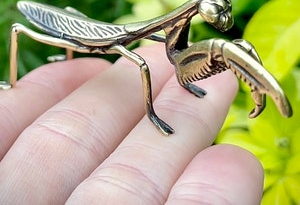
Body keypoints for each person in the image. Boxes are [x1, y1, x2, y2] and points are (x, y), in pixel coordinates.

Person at [0, 44, 263, 204]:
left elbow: (177, 57)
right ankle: (152, 113)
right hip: (97, 36)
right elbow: (144, 64)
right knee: (142, 64)